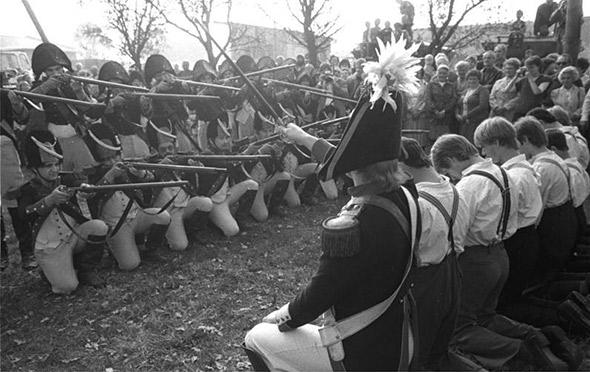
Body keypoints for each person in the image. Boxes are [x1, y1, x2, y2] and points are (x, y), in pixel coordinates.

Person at [244, 42, 421, 371]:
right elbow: (344, 158)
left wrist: (281, 316)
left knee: (257, 336)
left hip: (363, 353)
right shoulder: (406, 190)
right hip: (398, 334)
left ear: (354, 162)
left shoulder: (357, 221)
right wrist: (301, 137)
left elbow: (317, 296)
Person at [431, 134, 565, 371]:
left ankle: (521, 351)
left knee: (458, 328)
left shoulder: (469, 185)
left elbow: (458, 234)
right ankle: (536, 336)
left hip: (475, 260)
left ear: (452, 158)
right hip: (500, 254)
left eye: (446, 169)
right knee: (485, 317)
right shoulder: (503, 173)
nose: (451, 176)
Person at [399, 137, 468, 370]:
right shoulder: (455, 189)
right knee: (438, 349)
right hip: (453, 274)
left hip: (426, 283)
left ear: (401, 166)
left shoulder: (418, 203)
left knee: (417, 353)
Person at [18, 130, 109, 294]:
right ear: (34, 168)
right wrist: (49, 201)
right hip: (49, 247)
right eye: (47, 166)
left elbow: (88, 206)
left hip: (72, 237)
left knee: (99, 227)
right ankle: (50, 271)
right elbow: (23, 216)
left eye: (57, 164)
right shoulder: (27, 190)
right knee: (67, 287)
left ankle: (86, 271)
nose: (54, 169)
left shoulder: (68, 179)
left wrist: (86, 193)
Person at [473, 118, 542, 313]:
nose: (483, 153)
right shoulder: (524, 170)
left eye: (484, 147)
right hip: (526, 237)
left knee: (506, 302)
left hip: (516, 241)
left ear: (496, 143)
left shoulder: (513, 177)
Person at [514, 117, 577, 283]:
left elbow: (537, 210)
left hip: (553, 226)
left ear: (526, 140)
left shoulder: (541, 167)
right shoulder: (555, 158)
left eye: (518, 143)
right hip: (565, 217)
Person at [30, 42, 100, 172]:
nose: (55, 73)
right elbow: (29, 100)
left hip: (77, 134)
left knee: (87, 171)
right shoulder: (40, 86)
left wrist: (80, 91)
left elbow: (89, 109)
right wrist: (46, 86)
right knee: (62, 173)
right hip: (53, 139)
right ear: (44, 72)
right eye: (50, 70)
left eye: (58, 69)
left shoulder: (72, 82)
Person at [546, 129, 590, 243]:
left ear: (553, 150)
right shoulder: (577, 166)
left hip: (573, 217)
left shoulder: (570, 172)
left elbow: (575, 200)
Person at [424, 65, 457, 141]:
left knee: (445, 139)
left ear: (447, 74)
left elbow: (453, 99)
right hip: (433, 116)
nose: (442, 75)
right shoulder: (431, 85)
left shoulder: (451, 86)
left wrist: (444, 111)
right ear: (437, 73)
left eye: (444, 73)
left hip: (447, 117)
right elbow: (428, 99)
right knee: (432, 138)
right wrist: (435, 110)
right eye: (440, 73)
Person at [513, 56, 552, 120]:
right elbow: (507, 90)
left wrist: (530, 79)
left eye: (532, 67)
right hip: (520, 111)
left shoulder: (545, 79)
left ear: (538, 67)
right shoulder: (523, 80)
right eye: (527, 68)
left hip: (534, 111)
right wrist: (516, 76)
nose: (529, 70)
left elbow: (537, 92)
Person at [457, 69, 489, 143]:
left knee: (474, 141)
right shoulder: (466, 91)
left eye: (474, 79)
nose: (472, 81)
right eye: (470, 79)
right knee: (464, 142)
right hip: (464, 122)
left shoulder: (483, 90)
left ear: (479, 79)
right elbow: (458, 104)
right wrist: (457, 114)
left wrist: (467, 115)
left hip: (476, 121)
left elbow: (482, 106)